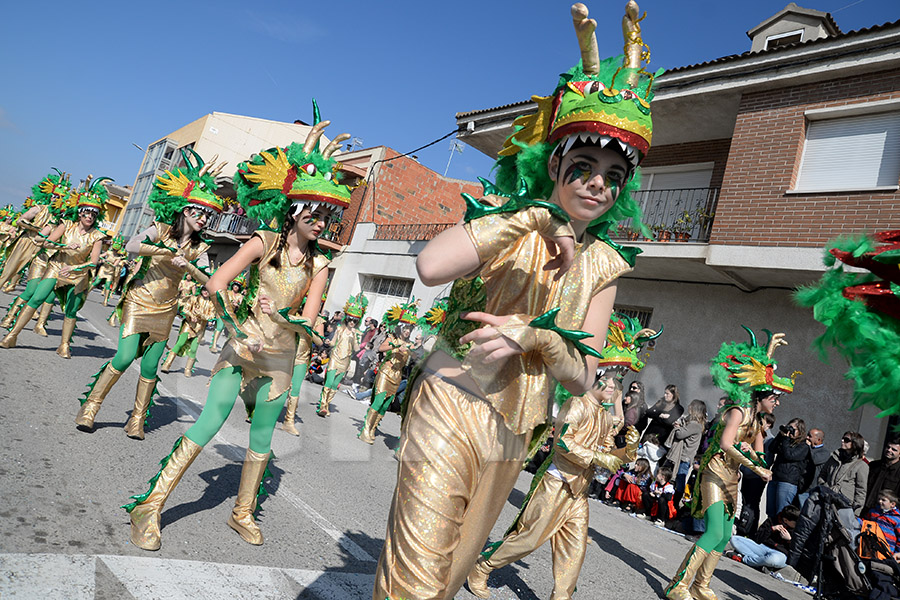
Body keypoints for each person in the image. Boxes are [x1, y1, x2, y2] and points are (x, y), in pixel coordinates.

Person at [373, 4, 657, 597]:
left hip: (513, 433)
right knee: (417, 582)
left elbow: (584, 376)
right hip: (449, 400)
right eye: (583, 165)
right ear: (555, 165)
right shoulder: (508, 221)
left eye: (612, 174)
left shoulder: (605, 266)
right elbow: (429, 267)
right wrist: (531, 217)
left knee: (448, 582)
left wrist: (539, 336)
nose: (597, 182)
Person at [123, 113, 353, 550]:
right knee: (210, 420)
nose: (322, 221)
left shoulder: (321, 266)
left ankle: (242, 511)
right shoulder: (262, 243)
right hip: (243, 347)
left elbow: (312, 324)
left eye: (328, 215)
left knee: (262, 438)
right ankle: (149, 506)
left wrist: (288, 318)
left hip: (280, 360)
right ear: (295, 211)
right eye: (315, 212)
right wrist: (236, 325)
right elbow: (215, 284)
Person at [74, 150, 224, 438]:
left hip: (166, 309)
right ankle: (90, 407)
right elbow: (132, 245)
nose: (204, 219)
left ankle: (137, 420)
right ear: (186, 210)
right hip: (139, 300)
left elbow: (210, 281)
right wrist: (167, 252)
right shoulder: (162, 229)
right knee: (124, 357)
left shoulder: (199, 248)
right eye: (200, 212)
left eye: (208, 215)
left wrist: (189, 267)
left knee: (152, 365)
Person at [466, 376, 636, 599]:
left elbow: (606, 455)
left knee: (574, 551)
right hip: (556, 483)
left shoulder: (605, 417)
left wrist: (628, 451)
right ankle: (482, 566)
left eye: (617, 388)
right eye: (610, 384)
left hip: (579, 494)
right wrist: (597, 456)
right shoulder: (577, 404)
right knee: (528, 539)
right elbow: (563, 442)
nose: (614, 391)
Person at [665, 327, 798, 600]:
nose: (777, 402)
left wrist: (755, 458)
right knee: (713, 531)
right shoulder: (737, 412)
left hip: (731, 478)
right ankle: (678, 585)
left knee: (725, 536)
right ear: (760, 395)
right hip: (713, 472)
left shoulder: (759, 423)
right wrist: (754, 465)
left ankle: (701, 586)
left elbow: (761, 456)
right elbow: (726, 444)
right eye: (774, 397)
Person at [1, 176, 109, 357]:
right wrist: (65, 246)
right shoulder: (66, 226)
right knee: (36, 298)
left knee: (71, 310)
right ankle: (12, 335)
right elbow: (45, 243)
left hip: (77, 274)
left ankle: (64, 345)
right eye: (86, 213)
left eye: (93, 214)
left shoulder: (97, 236)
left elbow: (94, 262)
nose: (89, 216)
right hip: (57, 266)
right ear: (80, 213)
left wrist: (74, 269)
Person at [0, 171, 70, 292]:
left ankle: (29, 304)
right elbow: (20, 221)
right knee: (10, 269)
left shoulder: (60, 217)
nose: (56, 199)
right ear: (50, 196)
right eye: (55, 196)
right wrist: (36, 229)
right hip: (28, 241)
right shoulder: (39, 209)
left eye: (60, 198)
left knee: (38, 278)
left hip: (44, 249)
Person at [358, 309, 419, 445]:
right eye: (405, 328)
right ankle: (365, 430)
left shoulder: (410, 344)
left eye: (409, 329)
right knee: (378, 401)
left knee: (385, 406)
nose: (407, 331)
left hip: (397, 377)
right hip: (386, 372)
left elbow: (415, 356)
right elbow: (381, 348)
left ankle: (373, 428)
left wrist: (412, 350)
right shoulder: (392, 338)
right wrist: (395, 346)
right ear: (401, 328)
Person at [316, 294, 365, 417]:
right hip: (335, 357)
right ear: (347, 319)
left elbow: (356, 349)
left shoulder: (357, 333)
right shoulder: (339, 329)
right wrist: (328, 342)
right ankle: (322, 406)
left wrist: (355, 337)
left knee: (334, 385)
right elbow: (333, 342)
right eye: (351, 319)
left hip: (345, 361)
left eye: (355, 321)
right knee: (329, 382)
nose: (352, 322)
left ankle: (327, 404)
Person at [159, 281, 216, 377]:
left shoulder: (211, 304)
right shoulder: (193, 299)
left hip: (199, 329)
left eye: (208, 291)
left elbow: (211, 316)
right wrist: (191, 315)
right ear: (201, 289)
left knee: (193, 349)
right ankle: (166, 365)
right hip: (188, 326)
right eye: (204, 289)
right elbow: (185, 309)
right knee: (179, 344)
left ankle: (188, 369)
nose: (206, 292)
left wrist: (200, 315)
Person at [729, 504, 800, 571]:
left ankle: (745, 559)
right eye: (795, 523)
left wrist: (789, 540)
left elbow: (796, 552)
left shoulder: (797, 530)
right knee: (734, 539)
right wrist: (771, 529)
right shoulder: (772, 520)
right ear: (785, 520)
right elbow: (757, 539)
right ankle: (760, 563)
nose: (797, 524)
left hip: (780, 554)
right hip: (762, 548)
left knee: (772, 560)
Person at [666, 399, 707, 507]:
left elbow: (680, 434)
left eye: (691, 405)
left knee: (679, 480)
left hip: (684, 457)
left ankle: (675, 505)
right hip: (682, 455)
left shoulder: (695, 425)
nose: (688, 407)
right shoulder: (690, 422)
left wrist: (678, 427)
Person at [818, 431, 869, 516]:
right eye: (842, 438)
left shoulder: (861, 465)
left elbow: (861, 491)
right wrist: (824, 486)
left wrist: (855, 513)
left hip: (843, 506)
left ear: (855, 443)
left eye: (846, 440)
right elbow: (822, 475)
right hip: (825, 499)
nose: (842, 441)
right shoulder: (833, 458)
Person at [767, 417, 809, 517]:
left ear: (800, 431)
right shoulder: (785, 441)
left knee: (781, 514)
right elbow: (771, 448)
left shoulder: (803, 446)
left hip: (787, 482)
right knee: (770, 512)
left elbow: (789, 455)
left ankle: (780, 533)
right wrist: (780, 435)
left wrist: (785, 439)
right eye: (789, 427)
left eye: (793, 429)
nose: (790, 431)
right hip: (775, 478)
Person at [865, 436, 900, 513]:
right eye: (888, 447)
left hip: (885, 516)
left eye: (894, 449)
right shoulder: (873, 465)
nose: (889, 450)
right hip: (865, 510)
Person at [863, 489, 900, 561]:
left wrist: (897, 553)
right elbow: (865, 522)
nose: (880, 501)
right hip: (870, 546)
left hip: (887, 550)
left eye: (883, 500)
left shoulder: (897, 519)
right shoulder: (873, 512)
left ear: (892, 504)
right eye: (879, 499)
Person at [798, 428, 828, 508]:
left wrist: (808, 447)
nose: (807, 438)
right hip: (800, 487)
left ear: (818, 439)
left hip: (811, 489)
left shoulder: (824, 452)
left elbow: (814, 460)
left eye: (810, 436)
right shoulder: (806, 448)